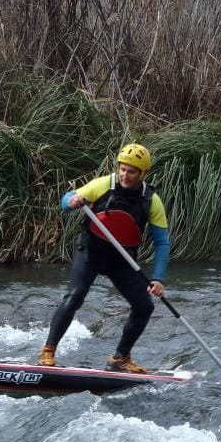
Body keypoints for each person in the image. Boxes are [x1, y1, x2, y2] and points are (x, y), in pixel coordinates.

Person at [37, 143, 169, 373]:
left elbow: (162, 242)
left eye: (132, 171)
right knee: (75, 296)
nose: (125, 175)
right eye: (122, 169)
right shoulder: (103, 185)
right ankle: (48, 350)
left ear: (143, 173)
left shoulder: (151, 200)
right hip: (90, 251)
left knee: (144, 306)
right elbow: (66, 200)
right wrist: (72, 201)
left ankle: (121, 358)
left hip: (121, 259)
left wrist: (158, 278)